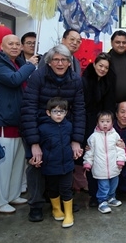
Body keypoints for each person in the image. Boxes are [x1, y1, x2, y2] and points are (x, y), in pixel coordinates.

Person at [20, 44, 85, 222]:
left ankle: (63, 201)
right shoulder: (38, 77)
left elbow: (79, 110)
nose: (60, 63)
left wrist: (76, 140)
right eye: (56, 60)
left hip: (64, 129)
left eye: (64, 60)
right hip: (39, 128)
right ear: (49, 62)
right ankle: (36, 205)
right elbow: (29, 108)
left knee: (64, 164)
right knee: (36, 165)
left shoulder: (75, 80)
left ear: (69, 62)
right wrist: (34, 143)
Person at [0, 34, 38, 213]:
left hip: (19, 120)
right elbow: (14, 80)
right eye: (11, 44)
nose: (15, 47)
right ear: (1, 46)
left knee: (17, 163)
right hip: (4, 120)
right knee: (3, 164)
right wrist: (30, 65)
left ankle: (12, 194)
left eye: (17, 44)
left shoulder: (19, 63)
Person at [81, 52, 116, 207]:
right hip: (87, 123)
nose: (103, 69)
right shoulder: (85, 80)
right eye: (100, 65)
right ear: (94, 64)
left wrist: (107, 124)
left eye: (106, 67)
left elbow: (109, 104)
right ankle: (94, 194)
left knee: (103, 157)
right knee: (91, 157)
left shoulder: (109, 80)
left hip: (104, 123)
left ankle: (106, 193)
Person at [36, 98, 76, 227]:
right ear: (48, 113)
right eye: (55, 111)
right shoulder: (42, 128)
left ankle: (69, 214)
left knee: (66, 189)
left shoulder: (69, 126)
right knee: (52, 189)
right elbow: (38, 145)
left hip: (67, 165)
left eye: (61, 111)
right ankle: (56, 209)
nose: (58, 114)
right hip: (50, 166)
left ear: (66, 113)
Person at [83, 111, 126, 213]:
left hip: (114, 167)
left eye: (108, 121)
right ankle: (102, 201)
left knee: (114, 184)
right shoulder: (93, 137)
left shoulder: (115, 136)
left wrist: (121, 160)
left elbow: (120, 149)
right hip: (100, 168)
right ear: (97, 123)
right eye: (102, 121)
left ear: (112, 123)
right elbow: (90, 152)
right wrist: (87, 163)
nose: (105, 124)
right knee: (104, 186)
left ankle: (111, 197)